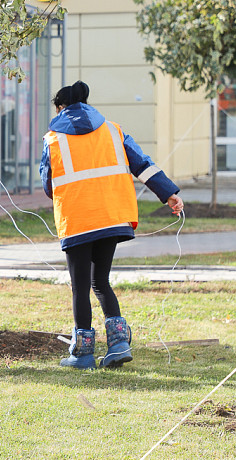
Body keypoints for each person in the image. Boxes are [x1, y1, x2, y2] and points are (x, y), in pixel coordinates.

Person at [40, 81, 184, 369]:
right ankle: (118, 344)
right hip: (111, 216)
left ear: (60, 107)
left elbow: (48, 185)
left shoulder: (53, 138)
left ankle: (82, 355)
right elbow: (142, 164)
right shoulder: (113, 130)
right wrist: (169, 193)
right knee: (100, 281)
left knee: (80, 286)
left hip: (78, 220)